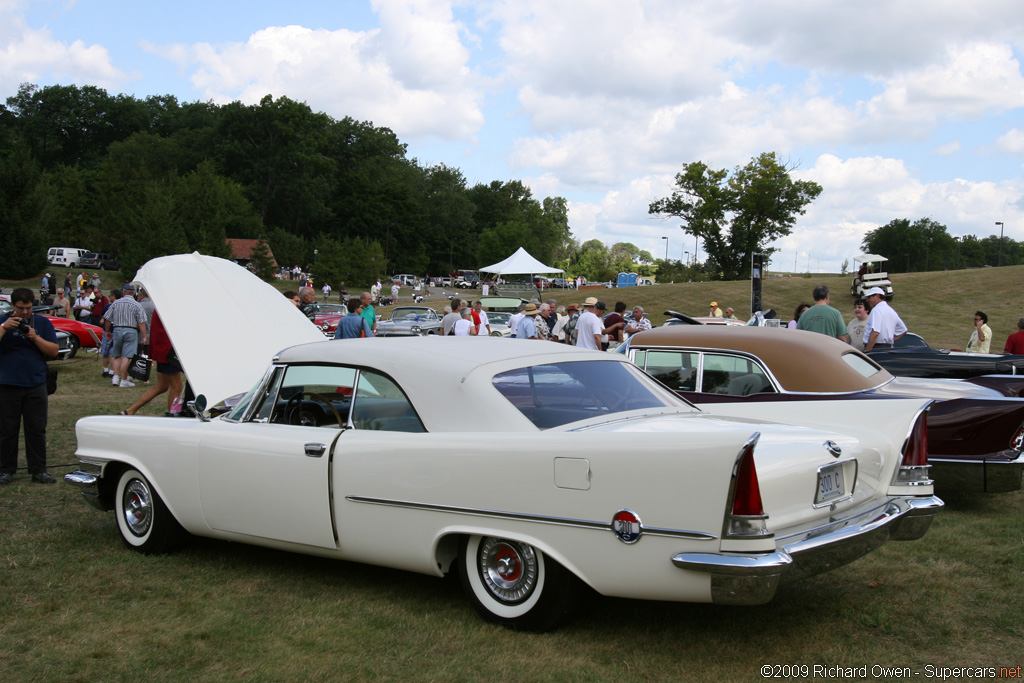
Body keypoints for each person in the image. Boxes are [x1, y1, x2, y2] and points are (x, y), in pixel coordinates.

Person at [0, 288, 59, 484]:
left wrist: (34, 337)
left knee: (37, 429)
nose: (25, 312)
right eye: (20, 308)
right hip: (7, 383)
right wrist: (4, 327)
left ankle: (38, 469)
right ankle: (6, 470)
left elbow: (53, 351)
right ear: (12, 306)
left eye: (28, 308)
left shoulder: (41, 322)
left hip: (35, 382)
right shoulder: (2, 320)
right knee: (7, 429)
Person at [122, 311, 183, 415]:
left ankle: (130, 411)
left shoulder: (160, 306)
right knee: (176, 386)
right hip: (167, 350)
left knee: (162, 386)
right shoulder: (166, 306)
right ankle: (173, 417)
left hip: (162, 349)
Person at [103, 284, 148, 388]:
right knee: (126, 356)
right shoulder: (137, 305)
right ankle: (123, 380)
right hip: (131, 330)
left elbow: (108, 318)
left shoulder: (116, 303)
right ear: (134, 293)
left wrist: (107, 331)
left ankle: (115, 377)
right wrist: (144, 336)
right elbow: (141, 322)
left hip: (117, 329)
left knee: (116, 354)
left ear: (124, 292)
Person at [863, 287, 907, 351]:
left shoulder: (876, 310)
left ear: (877, 296)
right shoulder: (891, 311)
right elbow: (903, 330)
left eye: (869, 297)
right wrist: (889, 340)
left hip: (876, 348)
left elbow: (875, 332)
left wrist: (867, 350)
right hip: (888, 348)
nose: (867, 300)